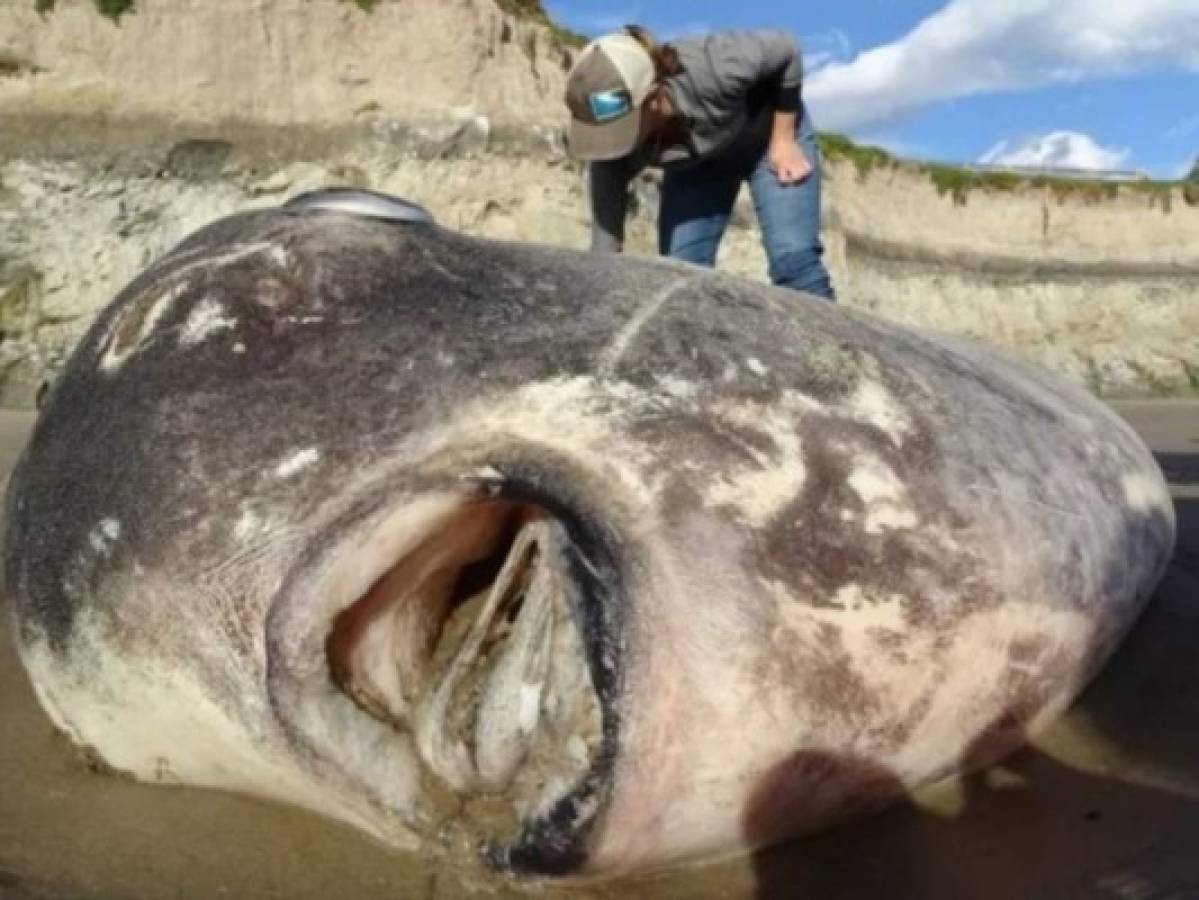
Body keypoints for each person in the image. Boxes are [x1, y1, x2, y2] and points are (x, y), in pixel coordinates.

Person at [564, 25, 835, 301]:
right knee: (679, 277)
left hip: (768, 140)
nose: (614, 143)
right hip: (699, 167)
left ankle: (839, 345)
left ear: (652, 97)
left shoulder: (712, 65)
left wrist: (783, 139)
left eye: (620, 129)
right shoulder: (613, 156)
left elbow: (786, 49)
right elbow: (604, 251)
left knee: (794, 263)